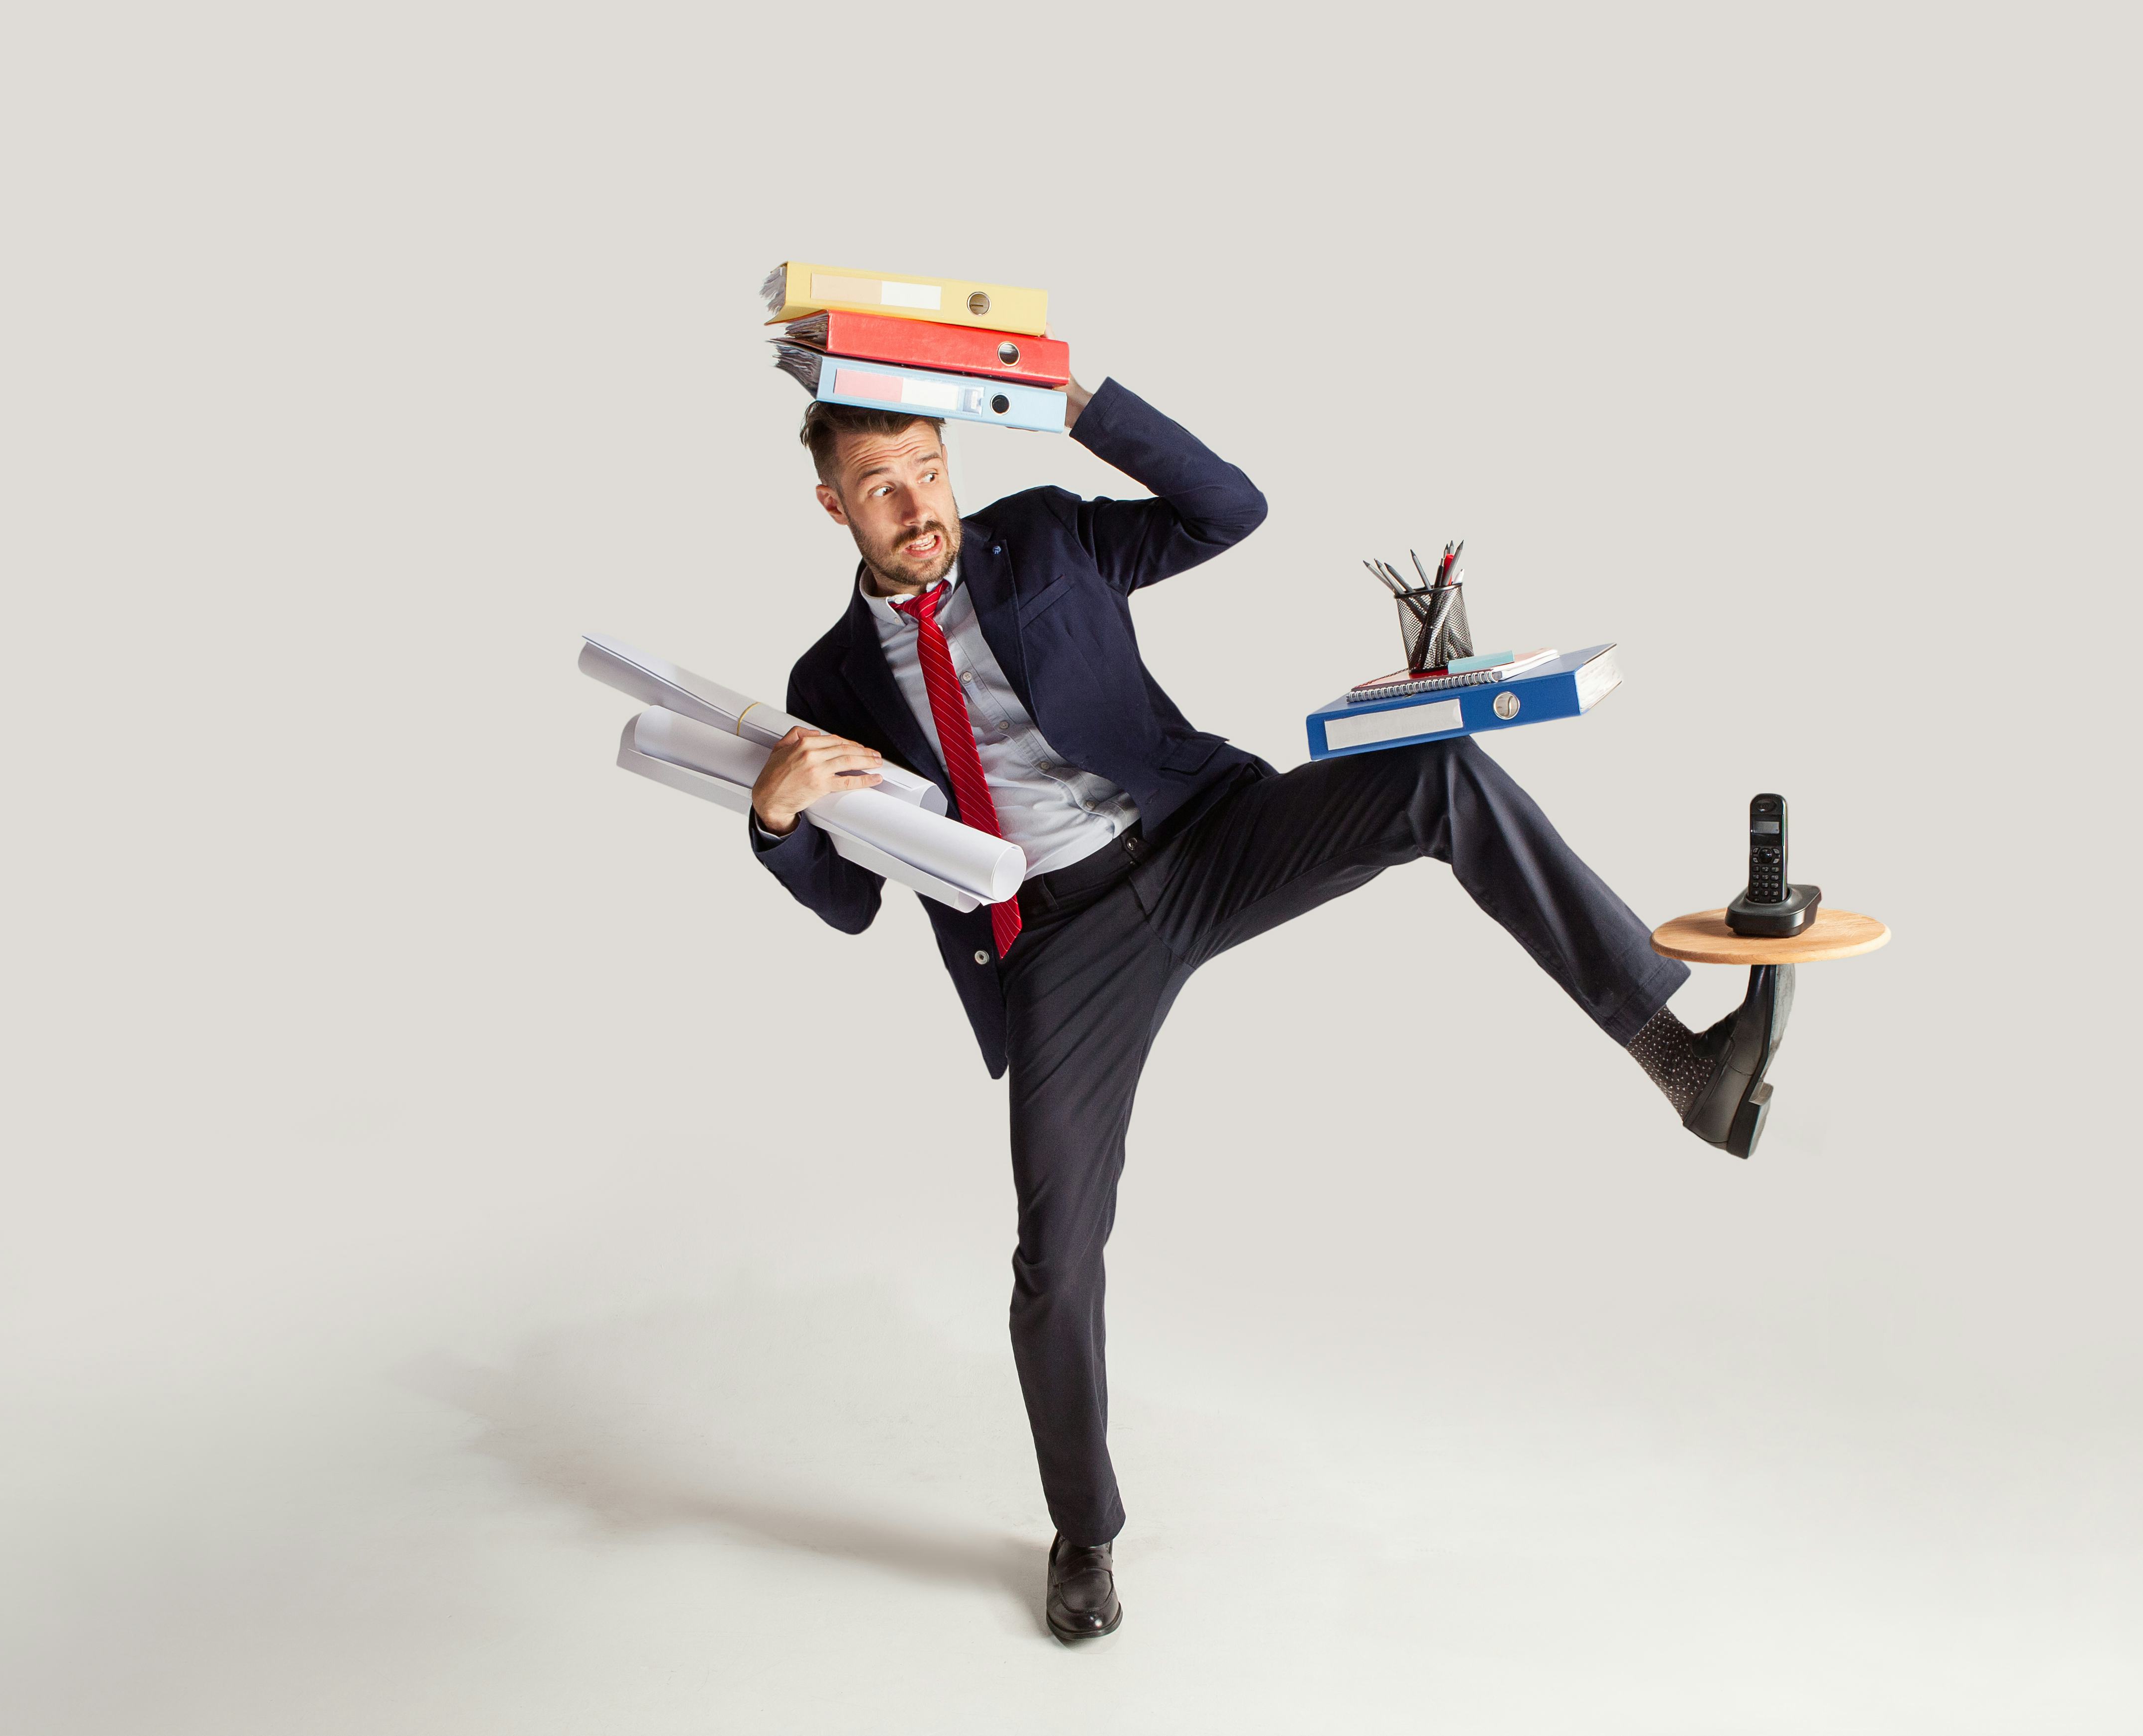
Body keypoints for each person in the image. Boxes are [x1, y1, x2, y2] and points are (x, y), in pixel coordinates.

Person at [745, 359, 1793, 1641]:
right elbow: (852, 902)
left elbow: (1227, 510)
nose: (917, 506)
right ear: (829, 506)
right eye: (879, 488)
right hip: (1059, 945)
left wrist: (1076, 399)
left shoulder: (1044, 537)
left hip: (1200, 837)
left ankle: (1680, 1062)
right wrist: (778, 816)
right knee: (1054, 1261)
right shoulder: (830, 684)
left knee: (1437, 777)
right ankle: (1086, 1531)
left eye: (928, 469)